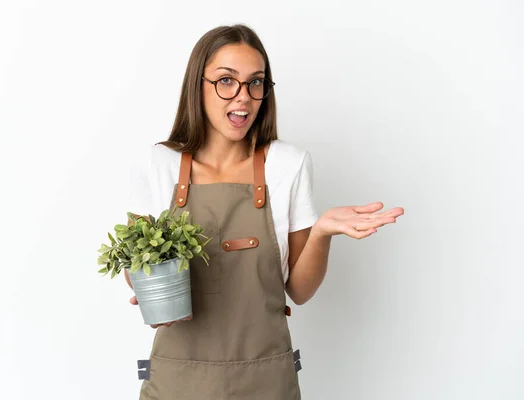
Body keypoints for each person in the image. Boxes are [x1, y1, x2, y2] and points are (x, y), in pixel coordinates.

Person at [125, 24, 404, 400]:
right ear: (198, 84)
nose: (243, 98)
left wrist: (321, 232)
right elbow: (137, 270)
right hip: (177, 382)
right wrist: (146, 283)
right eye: (227, 81)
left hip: (266, 381)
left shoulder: (289, 164)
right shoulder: (158, 163)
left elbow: (300, 291)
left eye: (256, 83)